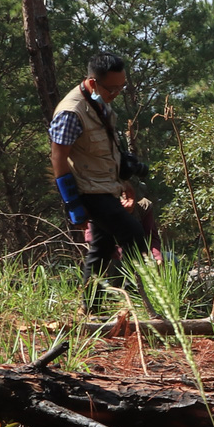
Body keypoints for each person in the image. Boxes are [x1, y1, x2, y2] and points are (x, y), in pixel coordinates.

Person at [50, 51, 151, 289]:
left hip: (106, 186)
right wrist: (73, 205)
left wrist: (124, 184)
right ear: (94, 82)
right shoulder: (70, 112)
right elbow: (58, 158)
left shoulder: (99, 102)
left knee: (102, 247)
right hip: (89, 192)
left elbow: (105, 152)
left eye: (121, 87)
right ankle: (143, 298)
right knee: (134, 235)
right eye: (111, 89)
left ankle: (91, 308)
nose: (115, 94)